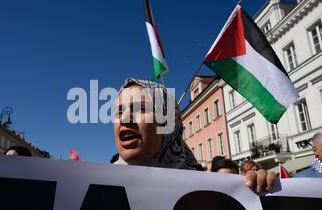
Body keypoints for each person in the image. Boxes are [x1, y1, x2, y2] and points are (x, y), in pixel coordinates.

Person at [113, 78, 276, 192]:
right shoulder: (91, 187)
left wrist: (259, 188)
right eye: (119, 112)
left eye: (142, 108)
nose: (125, 119)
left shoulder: (211, 191)